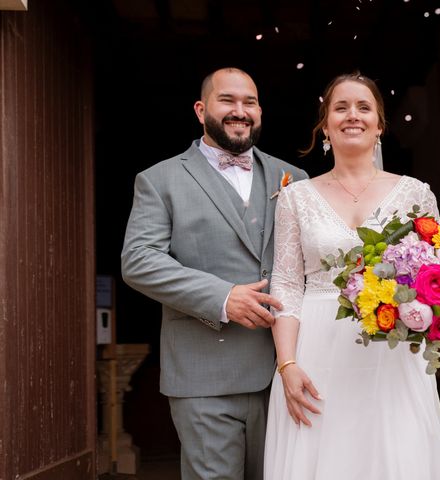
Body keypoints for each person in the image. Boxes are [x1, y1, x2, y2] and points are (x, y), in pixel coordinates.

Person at [121, 67, 307, 480]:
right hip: (204, 374)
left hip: (287, 374)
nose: (240, 111)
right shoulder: (159, 180)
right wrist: (223, 297)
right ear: (201, 109)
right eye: (228, 101)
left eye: (250, 102)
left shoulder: (296, 179)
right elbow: (139, 260)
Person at [264, 73, 440, 479]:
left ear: (380, 125)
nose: (353, 115)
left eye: (364, 107)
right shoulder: (296, 197)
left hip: (392, 351)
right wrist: (288, 364)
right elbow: (286, 285)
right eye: (341, 107)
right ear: (325, 125)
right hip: (316, 349)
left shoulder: (416, 193)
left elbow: (439, 281)